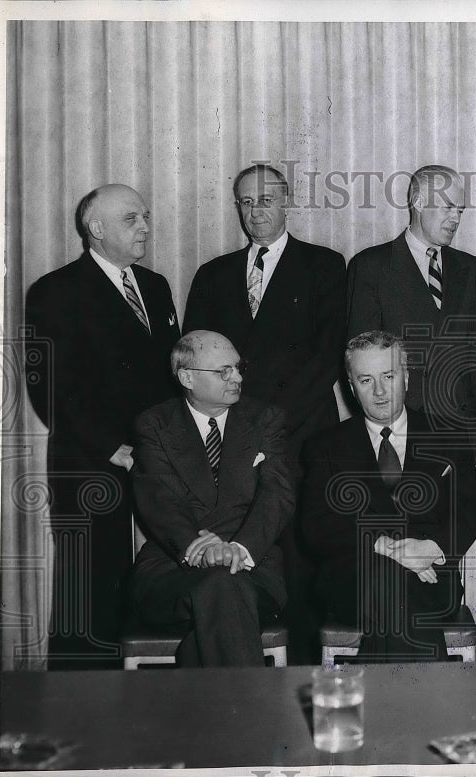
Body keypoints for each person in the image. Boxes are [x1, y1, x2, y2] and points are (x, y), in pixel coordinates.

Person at [183, 163, 347, 662]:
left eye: (267, 200)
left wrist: (266, 425)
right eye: (246, 203)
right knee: (235, 547)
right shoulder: (212, 274)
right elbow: (194, 355)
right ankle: (239, 666)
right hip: (226, 438)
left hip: (300, 435)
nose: (256, 212)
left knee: (299, 553)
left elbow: (326, 358)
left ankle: (299, 670)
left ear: (288, 201)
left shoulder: (324, 266)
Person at [25, 183, 180, 669]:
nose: (147, 228)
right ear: (97, 230)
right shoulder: (55, 290)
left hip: (155, 455)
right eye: (133, 219)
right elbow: (49, 386)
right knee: (89, 591)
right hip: (90, 460)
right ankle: (81, 710)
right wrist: (113, 447)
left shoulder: (155, 286)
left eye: (147, 216)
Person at [300, 331, 476, 661]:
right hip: (352, 583)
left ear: (407, 375)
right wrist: (385, 547)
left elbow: (470, 506)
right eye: (366, 380)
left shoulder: (447, 436)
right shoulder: (324, 447)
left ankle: (386, 708)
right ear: (351, 385)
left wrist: (431, 547)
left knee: (395, 594)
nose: (380, 391)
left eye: (389, 376)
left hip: (432, 577)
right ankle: (421, 707)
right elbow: (317, 526)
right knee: (390, 584)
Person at [129, 331, 293, 666]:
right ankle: (243, 713)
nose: (238, 377)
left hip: (252, 566)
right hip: (174, 570)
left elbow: (277, 494)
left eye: (238, 367)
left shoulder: (265, 419)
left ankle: (216, 713)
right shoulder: (155, 424)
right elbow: (160, 500)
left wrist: (239, 549)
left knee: (220, 592)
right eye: (224, 371)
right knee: (220, 592)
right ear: (187, 377)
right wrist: (200, 548)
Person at [346, 165, 476, 469]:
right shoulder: (371, 267)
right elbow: (360, 361)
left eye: (461, 210)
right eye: (448, 207)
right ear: (417, 202)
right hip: (399, 430)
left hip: (459, 430)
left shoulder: (470, 268)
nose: (456, 218)